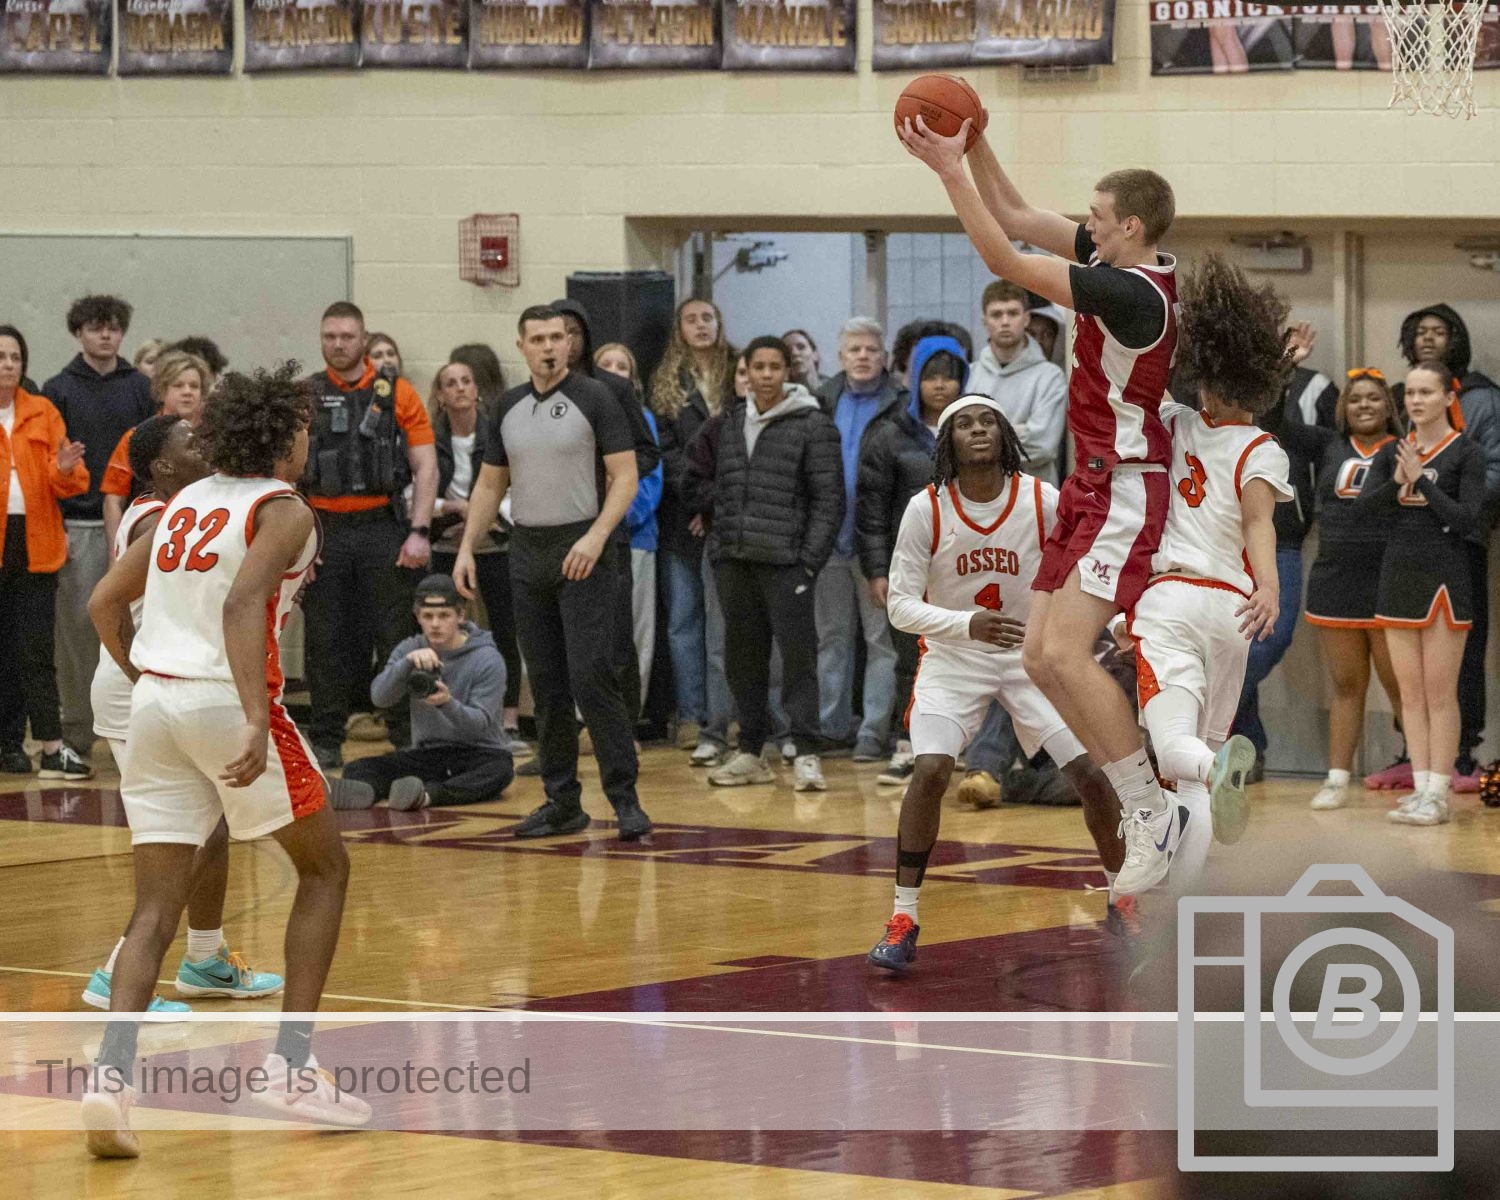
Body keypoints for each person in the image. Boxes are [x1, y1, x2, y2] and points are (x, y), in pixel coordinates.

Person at [84, 363, 371, 1157]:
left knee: (154, 910)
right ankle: (291, 1068)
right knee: (326, 870)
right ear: (282, 436)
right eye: (303, 428)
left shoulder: (182, 502)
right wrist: (249, 717)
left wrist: (147, 679)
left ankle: (110, 1081)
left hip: (157, 704)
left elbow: (103, 602)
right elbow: (245, 603)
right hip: (226, 699)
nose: (309, 440)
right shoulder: (284, 509)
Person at [901, 114, 1180, 879]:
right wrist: (973, 138)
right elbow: (1018, 214)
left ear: (1129, 226)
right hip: (1091, 484)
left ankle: (1150, 809)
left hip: (1127, 485)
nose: (1087, 224)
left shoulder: (1131, 294)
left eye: (1096, 215)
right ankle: (1144, 802)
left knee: (1061, 653)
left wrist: (945, 170)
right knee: (1040, 655)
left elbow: (1002, 254)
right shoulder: (1114, 259)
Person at [867, 398, 1124, 971]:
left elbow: (1085, 566)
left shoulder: (1040, 498)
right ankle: (903, 916)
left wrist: (1115, 620)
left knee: (1091, 773)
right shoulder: (926, 508)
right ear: (947, 442)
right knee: (932, 771)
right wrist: (968, 624)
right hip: (955, 657)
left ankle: (1123, 899)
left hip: (1031, 657)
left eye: (988, 421)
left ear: (1005, 434)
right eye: (964, 423)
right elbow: (900, 607)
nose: (978, 430)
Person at [84, 414, 283, 1013]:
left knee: (211, 829)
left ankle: (204, 958)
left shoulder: (194, 507)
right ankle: (116, 974)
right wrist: (142, 677)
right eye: (191, 440)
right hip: (146, 682)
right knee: (181, 838)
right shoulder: (158, 516)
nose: (207, 442)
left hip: (171, 681)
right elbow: (104, 603)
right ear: (163, 467)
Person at [1110, 254, 1293, 896]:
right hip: (1233, 611)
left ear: (1206, 376)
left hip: (1171, 602)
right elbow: (1258, 523)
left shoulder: (1173, 423)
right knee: (1191, 780)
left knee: (1174, 754)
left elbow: (1137, 376)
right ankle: (1179, 912)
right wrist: (1269, 587)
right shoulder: (1264, 447)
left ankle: (1218, 767)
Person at [453, 306, 651, 841]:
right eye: (538, 338)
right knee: (545, 682)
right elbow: (490, 485)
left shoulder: (597, 397)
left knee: (591, 675)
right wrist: (467, 548)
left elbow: (625, 477)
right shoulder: (507, 407)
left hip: (583, 547)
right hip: (528, 551)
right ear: (521, 346)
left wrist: (596, 536)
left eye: (557, 337)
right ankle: (562, 802)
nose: (549, 347)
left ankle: (625, 798)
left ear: (568, 343)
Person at [686, 335, 843, 792]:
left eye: (776, 367)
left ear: (788, 372)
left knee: (798, 660)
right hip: (735, 561)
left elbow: (829, 500)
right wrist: (721, 531)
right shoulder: (729, 423)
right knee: (742, 660)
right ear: (747, 372)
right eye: (759, 367)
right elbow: (694, 479)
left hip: (787, 563)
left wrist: (809, 563)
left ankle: (806, 751)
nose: (767, 375)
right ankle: (751, 751)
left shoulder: (813, 424)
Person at [299, 301, 438, 768]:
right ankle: (326, 738)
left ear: (363, 340)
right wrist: (299, 545)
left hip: (382, 527)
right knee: (325, 640)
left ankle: (405, 736)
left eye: (347, 336)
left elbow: (425, 466)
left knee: (395, 634)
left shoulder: (397, 393)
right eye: (330, 337)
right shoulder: (304, 396)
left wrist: (419, 531)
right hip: (323, 531)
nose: (338, 344)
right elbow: (285, 474)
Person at [1355, 360, 1486, 827]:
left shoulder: (1466, 453)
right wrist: (1397, 481)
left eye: (1426, 392)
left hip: (1445, 577)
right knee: (1409, 695)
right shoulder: (1392, 452)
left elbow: (1468, 520)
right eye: (1410, 392)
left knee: (1439, 694)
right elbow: (1361, 513)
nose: (1415, 401)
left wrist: (1423, 482)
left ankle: (1439, 793)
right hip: (1398, 577)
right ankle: (1421, 787)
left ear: (1448, 398)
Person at [1391, 304, 1500, 790]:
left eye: (1439, 331)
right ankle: (1417, 765)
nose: (1428, 338)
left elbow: (1486, 481)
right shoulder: (1401, 415)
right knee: (1410, 680)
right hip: (1403, 559)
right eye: (1421, 332)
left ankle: (1459, 756)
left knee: (1456, 668)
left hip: (1460, 547)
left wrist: (1441, 493)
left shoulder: (1483, 401)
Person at [43, 294, 155, 753]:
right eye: (95, 327)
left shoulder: (142, 387)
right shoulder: (57, 389)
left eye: (113, 327)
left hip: (139, 523)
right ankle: (78, 730)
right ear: (78, 333)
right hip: (79, 523)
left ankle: (138, 728)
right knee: (77, 632)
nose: (106, 335)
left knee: (140, 629)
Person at [551, 297, 661, 726]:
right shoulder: (531, 395)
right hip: (551, 527)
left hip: (607, 526)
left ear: (585, 337)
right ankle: (564, 731)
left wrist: (613, 480)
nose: (564, 341)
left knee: (615, 633)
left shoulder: (613, 388)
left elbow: (647, 452)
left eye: (572, 332)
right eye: (555, 333)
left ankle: (623, 727)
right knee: (556, 636)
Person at [1297, 369, 1404, 811]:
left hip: (1389, 578)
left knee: (1400, 686)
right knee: (1346, 684)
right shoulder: (1328, 445)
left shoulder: (1403, 448)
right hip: (1335, 578)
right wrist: (1286, 367)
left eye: (1373, 398)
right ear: (1344, 408)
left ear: (1388, 407)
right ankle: (1337, 779)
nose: (1364, 405)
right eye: (1356, 399)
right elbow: (1276, 425)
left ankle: (1425, 775)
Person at [1227, 323, 1325, 780]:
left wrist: (1285, 368)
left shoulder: (1293, 392)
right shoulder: (1204, 388)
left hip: (1281, 538)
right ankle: (1248, 747)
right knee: (1233, 645)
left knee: (1271, 638)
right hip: (1224, 540)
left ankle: (1229, 735)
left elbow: (1275, 424)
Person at [336, 575, 514, 810]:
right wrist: (406, 664)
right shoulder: (410, 648)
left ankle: (427, 795)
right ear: (417, 616)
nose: (435, 624)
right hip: (428, 753)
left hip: (477, 752)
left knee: (500, 770)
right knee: (358, 768)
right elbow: (379, 698)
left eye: (444, 616)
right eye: (428, 616)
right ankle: (368, 790)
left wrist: (446, 703)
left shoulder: (487, 658)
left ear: (460, 615)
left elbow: (479, 724)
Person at [0, 324, 92, 780]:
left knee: (34, 650)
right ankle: (7, 744)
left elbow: (73, 483)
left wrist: (64, 469)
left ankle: (51, 748)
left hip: (35, 545)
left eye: (15, 357)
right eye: (1, 357)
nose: (8, 365)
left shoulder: (43, 411)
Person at [651, 298, 736, 762]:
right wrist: (696, 499)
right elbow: (665, 453)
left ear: (719, 324)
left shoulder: (738, 371)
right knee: (684, 622)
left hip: (729, 516)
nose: (701, 325)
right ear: (679, 329)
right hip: (680, 518)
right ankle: (690, 714)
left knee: (727, 627)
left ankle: (728, 716)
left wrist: (714, 502)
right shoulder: (666, 382)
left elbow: (743, 446)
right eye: (691, 319)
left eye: (708, 318)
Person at [814, 317, 901, 759]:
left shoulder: (900, 405)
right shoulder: (821, 400)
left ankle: (873, 731)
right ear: (840, 356)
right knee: (831, 639)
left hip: (878, 544)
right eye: (855, 349)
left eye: (871, 349)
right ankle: (831, 726)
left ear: (884, 357)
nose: (863, 356)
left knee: (880, 641)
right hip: (830, 539)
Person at [425, 357, 524, 743]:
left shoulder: (496, 432)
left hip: (495, 542)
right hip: (446, 543)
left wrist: (483, 516)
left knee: (505, 631)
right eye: (451, 383)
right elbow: (416, 492)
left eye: (466, 380)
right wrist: (454, 510)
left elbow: (512, 486)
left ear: (477, 389)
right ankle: (450, 716)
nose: (460, 388)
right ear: (440, 394)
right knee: (446, 630)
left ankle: (509, 720)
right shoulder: (430, 438)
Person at [596, 342, 664, 710]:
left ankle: (629, 713)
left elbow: (649, 482)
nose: (613, 371)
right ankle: (591, 714)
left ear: (632, 379)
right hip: (586, 537)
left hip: (634, 536)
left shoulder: (643, 419)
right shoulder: (583, 415)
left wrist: (615, 516)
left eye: (621, 366)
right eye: (605, 364)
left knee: (635, 629)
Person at [100, 350, 210, 548]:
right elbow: (113, 500)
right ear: (162, 390)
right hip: (152, 535)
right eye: (178, 385)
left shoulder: (213, 438)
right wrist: (115, 554)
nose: (187, 392)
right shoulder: (138, 437)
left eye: (194, 386)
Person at [967, 280, 1068, 485]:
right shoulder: (969, 375)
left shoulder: (1050, 377)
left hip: (1034, 495)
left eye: (1013, 313)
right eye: (996, 314)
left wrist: (980, 440)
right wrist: (1019, 431)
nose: (1005, 322)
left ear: (1026, 319)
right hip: (978, 494)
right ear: (985, 322)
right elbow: (956, 444)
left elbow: (1042, 447)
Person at [783, 328, 824, 392]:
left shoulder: (837, 390)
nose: (794, 353)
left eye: (801, 347)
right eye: (788, 351)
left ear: (815, 355)